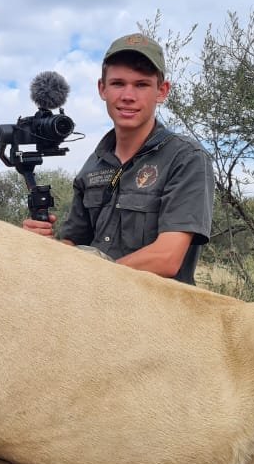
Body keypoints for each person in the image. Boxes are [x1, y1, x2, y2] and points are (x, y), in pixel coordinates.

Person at [22, 33, 215, 284]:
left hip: (159, 314)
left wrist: (85, 276)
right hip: (95, 307)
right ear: (102, 89)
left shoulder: (186, 158)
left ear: (162, 91)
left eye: (142, 85)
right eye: (117, 83)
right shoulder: (93, 165)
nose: (128, 95)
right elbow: (73, 242)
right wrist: (43, 246)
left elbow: (167, 258)